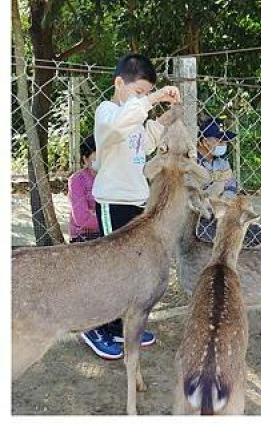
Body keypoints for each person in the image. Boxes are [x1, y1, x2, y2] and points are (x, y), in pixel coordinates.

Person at [80, 53, 181, 360]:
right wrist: (154, 98)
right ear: (119, 83)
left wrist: (165, 118)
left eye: (145, 93)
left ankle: (115, 326)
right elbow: (121, 126)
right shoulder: (108, 112)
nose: (143, 99)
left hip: (137, 201)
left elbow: (143, 142)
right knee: (114, 268)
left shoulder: (133, 115)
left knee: (132, 268)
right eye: (139, 92)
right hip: (114, 202)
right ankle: (92, 327)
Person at [196, 117, 261, 248]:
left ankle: (242, 256)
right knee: (216, 242)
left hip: (227, 211)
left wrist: (226, 200)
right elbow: (196, 196)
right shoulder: (193, 162)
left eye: (225, 141)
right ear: (204, 141)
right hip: (204, 217)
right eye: (219, 140)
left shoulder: (222, 162)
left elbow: (231, 186)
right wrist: (215, 196)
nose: (223, 144)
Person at [68, 137, 100, 243]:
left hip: (108, 231)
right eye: (97, 156)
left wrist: (95, 214)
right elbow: (81, 219)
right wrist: (109, 218)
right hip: (84, 235)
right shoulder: (77, 180)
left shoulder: (112, 178)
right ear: (86, 159)